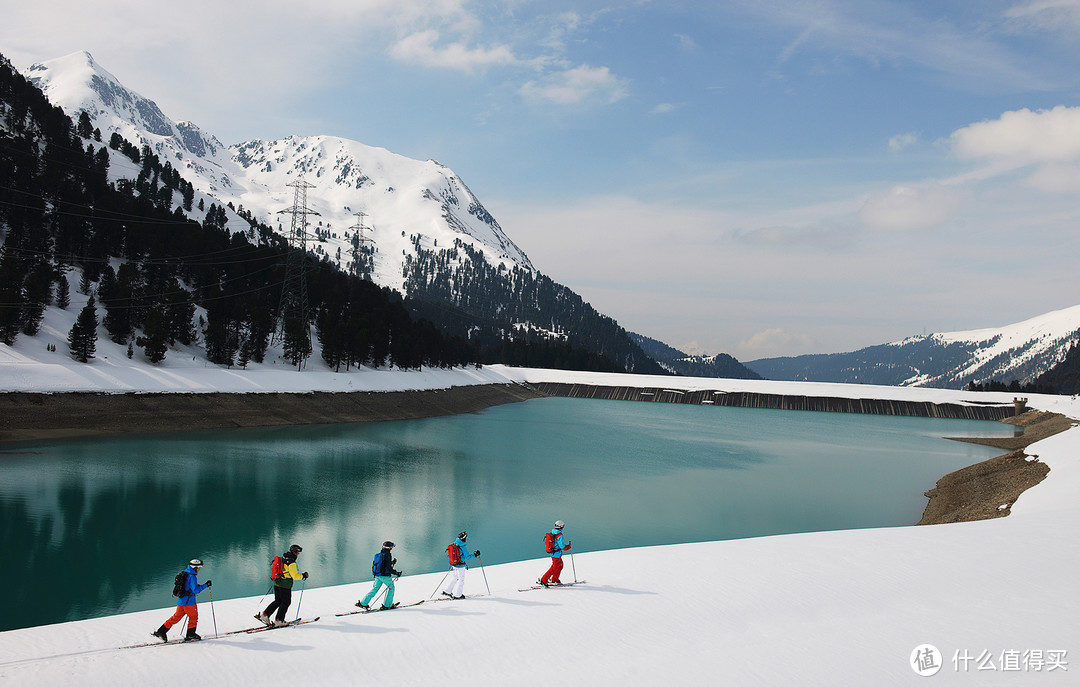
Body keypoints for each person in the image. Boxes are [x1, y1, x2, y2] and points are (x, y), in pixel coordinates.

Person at [152, 558, 212, 642]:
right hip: (189, 602)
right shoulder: (192, 577)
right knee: (193, 617)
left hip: (181, 601)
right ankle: (190, 634)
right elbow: (196, 590)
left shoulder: (185, 574)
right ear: (194, 567)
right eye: (199, 568)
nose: (199, 569)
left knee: (175, 618)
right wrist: (206, 585)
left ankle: (161, 631)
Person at [257, 544, 309, 627]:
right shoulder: (291, 562)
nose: (298, 554)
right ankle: (279, 620)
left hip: (277, 583)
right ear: (295, 552)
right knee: (286, 602)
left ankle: (265, 615)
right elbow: (294, 576)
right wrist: (303, 575)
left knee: (278, 601)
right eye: (298, 553)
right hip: (285, 585)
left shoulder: (283, 558)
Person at [357, 541, 403, 610]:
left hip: (378, 576)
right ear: (389, 548)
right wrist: (396, 573)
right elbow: (388, 568)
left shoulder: (380, 554)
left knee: (375, 589)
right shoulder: (388, 555)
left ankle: (363, 603)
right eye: (392, 547)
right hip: (384, 576)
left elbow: (383, 565)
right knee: (391, 588)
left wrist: (392, 563)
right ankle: (387, 605)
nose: (392, 549)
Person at [441, 530, 480, 599]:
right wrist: (475, 554)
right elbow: (468, 557)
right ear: (464, 538)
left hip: (454, 564)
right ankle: (458, 595)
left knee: (455, 578)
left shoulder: (455, 543)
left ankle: (447, 591)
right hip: (460, 566)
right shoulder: (462, 546)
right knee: (461, 580)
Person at [539, 520, 571, 586]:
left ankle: (555, 579)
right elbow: (562, 546)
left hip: (554, 553)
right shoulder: (560, 535)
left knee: (560, 565)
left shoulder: (553, 532)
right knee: (554, 567)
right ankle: (543, 580)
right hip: (556, 554)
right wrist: (569, 547)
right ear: (561, 526)